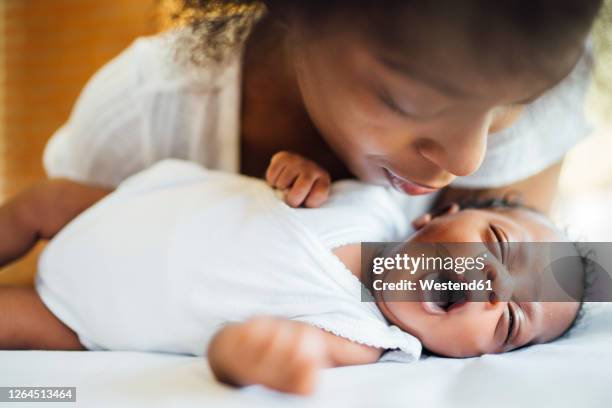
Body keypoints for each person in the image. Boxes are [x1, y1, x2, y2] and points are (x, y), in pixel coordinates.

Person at [0, 159, 586, 395]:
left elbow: (254, 348)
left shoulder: (366, 339)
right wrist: (299, 172)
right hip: (130, 209)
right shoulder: (376, 202)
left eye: (510, 320)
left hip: (93, 319)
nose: (493, 286)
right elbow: (283, 188)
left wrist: (249, 355)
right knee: (37, 203)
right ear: (440, 215)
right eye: (499, 246)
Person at [43, 0, 603, 218]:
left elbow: (543, 286)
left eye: (515, 103)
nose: (467, 158)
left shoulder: (525, 60)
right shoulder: (145, 113)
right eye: (406, 101)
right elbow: (67, 287)